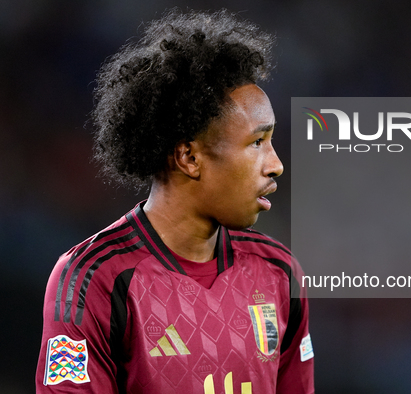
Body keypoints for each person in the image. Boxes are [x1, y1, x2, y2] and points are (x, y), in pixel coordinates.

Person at [36, 9, 314, 394]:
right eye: (256, 143)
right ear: (190, 158)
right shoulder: (93, 279)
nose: (276, 165)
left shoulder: (279, 272)